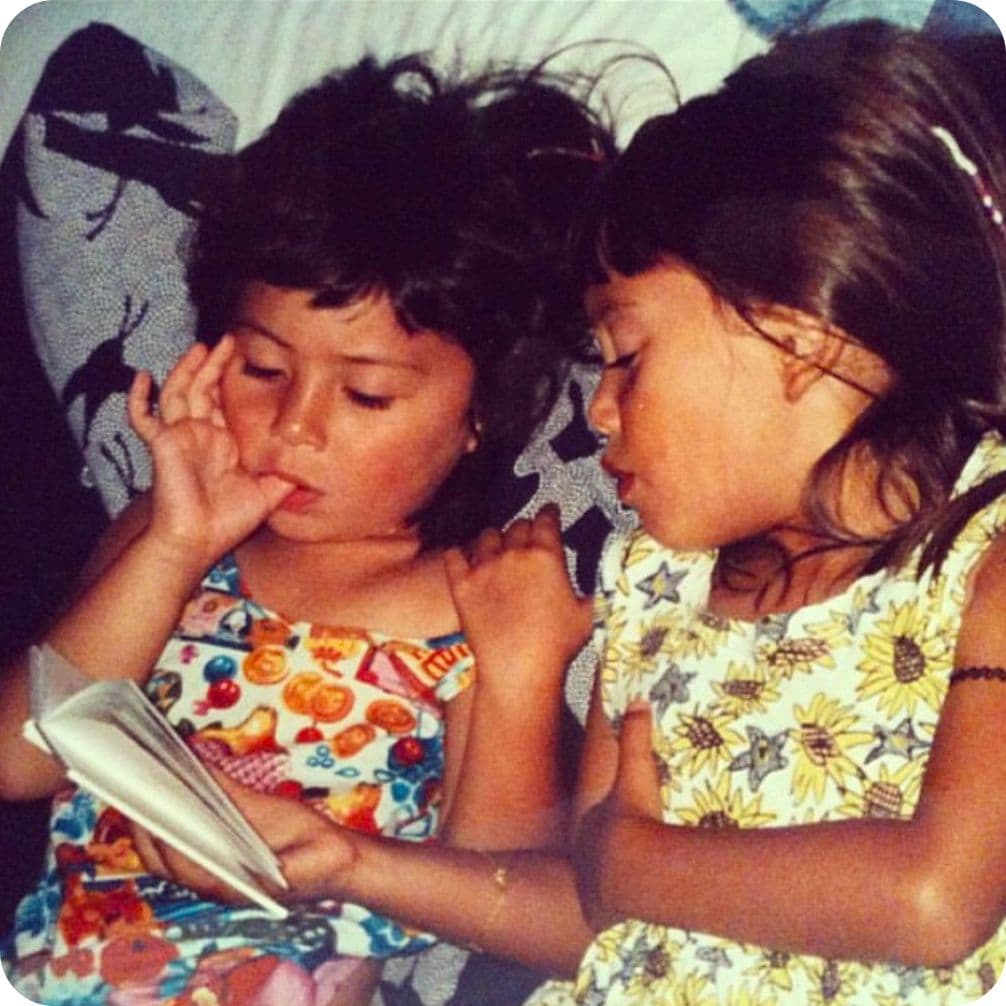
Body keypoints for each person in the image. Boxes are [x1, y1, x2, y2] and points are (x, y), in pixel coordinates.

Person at [127, 19, 1006, 1006]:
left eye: (627, 356)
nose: (598, 408)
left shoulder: (985, 553)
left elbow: (936, 899)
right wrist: (346, 861)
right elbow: (576, 918)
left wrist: (633, 863)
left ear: (799, 341)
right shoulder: (650, 580)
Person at [0, 53, 612, 1006]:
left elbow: (508, 908)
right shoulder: (160, 541)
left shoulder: (468, 605)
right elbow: (16, 760)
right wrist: (173, 547)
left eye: (367, 394)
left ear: (479, 415)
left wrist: (525, 676)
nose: (296, 427)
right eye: (261, 368)